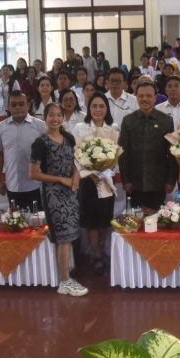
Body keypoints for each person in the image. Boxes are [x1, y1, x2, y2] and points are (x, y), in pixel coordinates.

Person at [29, 103, 86, 296]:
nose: (55, 119)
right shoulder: (40, 142)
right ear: (44, 118)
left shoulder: (68, 138)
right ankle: (64, 281)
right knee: (63, 237)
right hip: (53, 194)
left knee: (70, 236)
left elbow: (74, 163)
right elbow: (34, 173)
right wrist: (60, 179)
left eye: (58, 115)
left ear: (63, 118)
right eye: (51, 115)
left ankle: (67, 275)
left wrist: (75, 177)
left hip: (71, 192)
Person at [72, 92, 120, 276]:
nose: (98, 110)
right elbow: (75, 155)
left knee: (104, 218)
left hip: (107, 178)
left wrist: (106, 169)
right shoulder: (80, 128)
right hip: (88, 180)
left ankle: (99, 249)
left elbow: (115, 154)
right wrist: (91, 174)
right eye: (94, 106)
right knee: (91, 220)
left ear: (106, 108)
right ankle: (97, 254)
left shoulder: (113, 127)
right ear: (89, 108)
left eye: (101, 106)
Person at [118, 80, 177, 213]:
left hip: (158, 183)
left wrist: (171, 180)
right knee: (135, 224)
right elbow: (123, 153)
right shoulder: (128, 120)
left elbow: (172, 153)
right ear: (136, 97)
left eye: (149, 96)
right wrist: (125, 180)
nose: (144, 99)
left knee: (157, 223)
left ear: (155, 97)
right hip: (134, 184)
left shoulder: (166, 121)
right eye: (141, 96)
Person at [0, 91, 46, 212]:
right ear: (8, 107)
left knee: (37, 224)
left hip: (36, 185)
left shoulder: (41, 126)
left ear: (28, 105)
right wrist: (0, 181)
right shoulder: (0, 127)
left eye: (21, 104)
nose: (17, 107)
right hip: (12, 185)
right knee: (16, 223)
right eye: (14, 104)